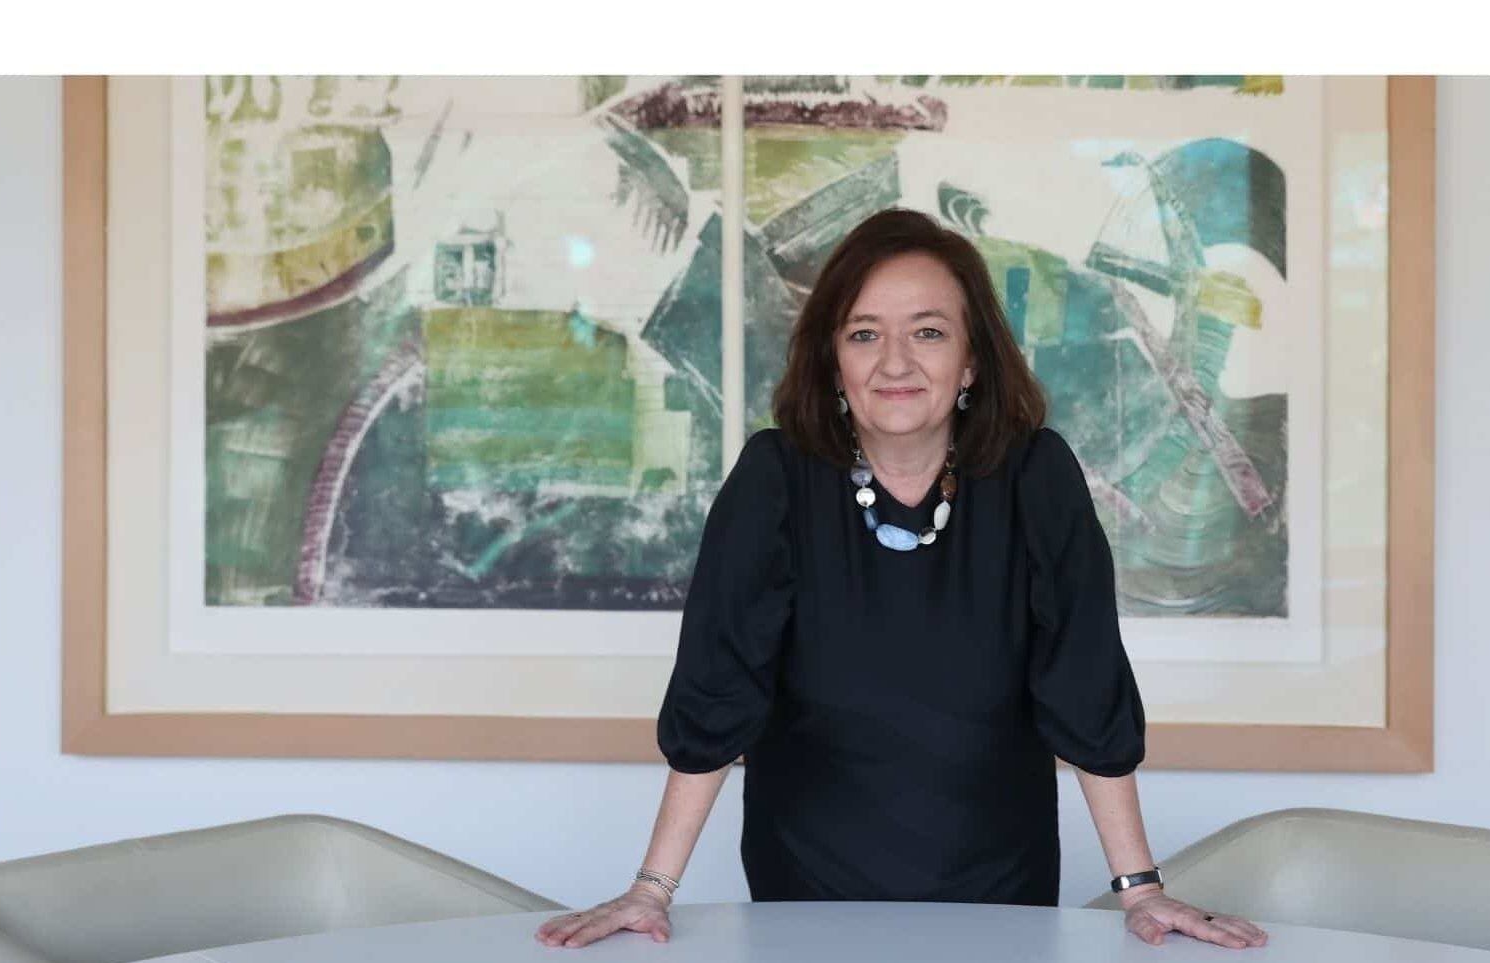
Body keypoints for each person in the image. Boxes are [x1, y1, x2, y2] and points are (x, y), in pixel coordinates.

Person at [535, 208, 1268, 950]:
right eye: (864, 334)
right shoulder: (775, 479)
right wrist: (651, 888)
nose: (894, 363)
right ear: (833, 362)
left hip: (999, 905)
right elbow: (716, 691)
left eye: (928, 332)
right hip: (807, 903)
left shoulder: (1034, 477)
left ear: (971, 361)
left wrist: (1139, 890)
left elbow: (1086, 686)